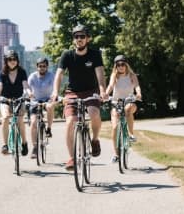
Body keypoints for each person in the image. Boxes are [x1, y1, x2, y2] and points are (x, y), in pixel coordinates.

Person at [51, 25, 107, 170]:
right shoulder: (67, 55)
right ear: (74, 39)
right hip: (72, 93)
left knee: (94, 113)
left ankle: (94, 140)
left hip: (91, 91)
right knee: (70, 122)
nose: (79, 39)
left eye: (82, 36)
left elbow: (100, 74)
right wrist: (55, 92)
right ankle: (72, 158)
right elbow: (59, 74)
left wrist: (103, 91)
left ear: (88, 38)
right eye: (76, 37)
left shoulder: (95, 54)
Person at [105, 55, 142, 163]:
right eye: (118, 65)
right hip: (116, 103)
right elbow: (110, 86)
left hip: (129, 102)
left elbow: (137, 86)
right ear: (115, 66)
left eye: (122, 64)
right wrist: (106, 94)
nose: (120, 67)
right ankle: (116, 154)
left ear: (126, 65)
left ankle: (131, 134)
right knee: (115, 127)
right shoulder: (114, 75)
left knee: (128, 109)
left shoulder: (132, 75)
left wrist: (138, 93)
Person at [0, 50, 29, 156]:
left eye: (14, 59)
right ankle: (5, 145)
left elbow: (25, 85)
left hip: (19, 99)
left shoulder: (22, 72)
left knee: (20, 120)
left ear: (17, 60)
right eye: (9, 59)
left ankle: (24, 143)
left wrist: (29, 93)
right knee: (5, 118)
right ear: (6, 61)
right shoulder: (2, 73)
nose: (12, 61)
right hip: (5, 99)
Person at [28, 57, 55, 159]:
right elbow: (27, 89)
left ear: (47, 67)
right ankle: (35, 147)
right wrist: (29, 94)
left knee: (50, 107)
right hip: (35, 101)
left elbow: (54, 88)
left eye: (44, 66)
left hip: (47, 99)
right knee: (34, 123)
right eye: (40, 66)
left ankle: (48, 129)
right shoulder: (32, 76)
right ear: (37, 67)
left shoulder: (51, 76)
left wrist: (52, 97)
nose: (42, 68)